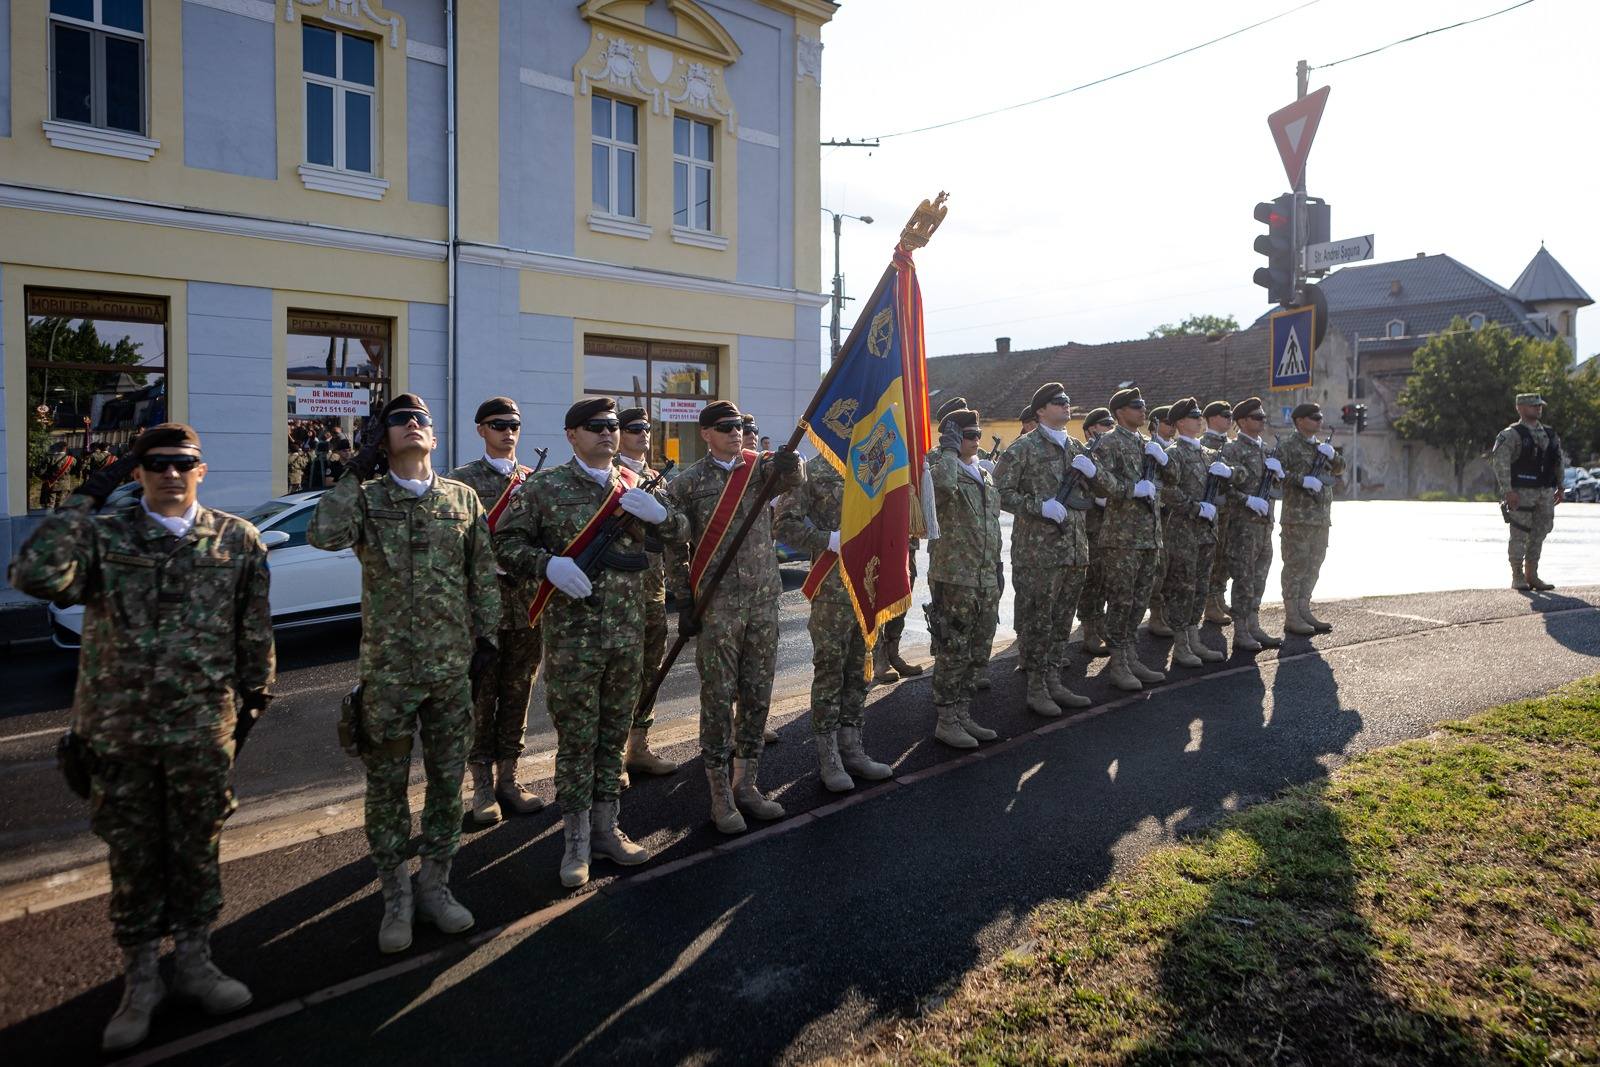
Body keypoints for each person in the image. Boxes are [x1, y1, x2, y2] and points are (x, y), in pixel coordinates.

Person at [10, 423, 274, 1052]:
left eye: (183, 462)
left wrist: (248, 713)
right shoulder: (105, 538)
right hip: (118, 736)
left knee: (196, 847)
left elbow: (254, 636)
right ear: (138, 473)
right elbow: (33, 574)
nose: (170, 473)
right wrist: (81, 500)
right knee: (131, 857)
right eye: (155, 463)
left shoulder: (236, 539)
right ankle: (140, 980)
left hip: (202, 732)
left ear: (200, 471)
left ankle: (195, 961)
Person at [307, 394, 499, 954]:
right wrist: (356, 466)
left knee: (446, 783)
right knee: (387, 787)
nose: (413, 425)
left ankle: (436, 886)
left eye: (421, 420)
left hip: (449, 671)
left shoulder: (461, 498)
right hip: (389, 673)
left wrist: (486, 638)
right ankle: (395, 895)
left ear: (435, 438)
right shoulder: (366, 499)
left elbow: (482, 573)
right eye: (399, 421)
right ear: (383, 437)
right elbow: (323, 533)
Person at [496, 397, 667, 887]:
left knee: (613, 739)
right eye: (595, 426)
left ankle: (606, 829)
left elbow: (679, 532)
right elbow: (505, 543)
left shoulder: (633, 485)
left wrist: (660, 516)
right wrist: (547, 564)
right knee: (577, 741)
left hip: (627, 638)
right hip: (574, 642)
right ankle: (574, 840)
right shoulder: (545, 488)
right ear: (571, 435)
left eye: (613, 426)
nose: (608, 433)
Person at [664, 401, 804, 833]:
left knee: (758, 693)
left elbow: (792, 477)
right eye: (725, 427)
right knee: (718, 699)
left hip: (764, 600)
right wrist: (684, 601)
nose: (735, 432)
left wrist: (792, 461)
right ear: (705, 433)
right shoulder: (687, 483)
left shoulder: (759, 468)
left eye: (740, 426)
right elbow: (676, 548)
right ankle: (720, 793)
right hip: (718, 606)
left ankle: (748, 784)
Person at [449, 397, 546, 824]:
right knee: (480, 699)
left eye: (514, 424)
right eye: (498, 424)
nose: (508, 432)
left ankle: (510, 778)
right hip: (482, 611)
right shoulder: (461, 482)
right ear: (481, 430)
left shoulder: (535, 481)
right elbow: (455, 547)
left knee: (518, 694)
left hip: (527, 608)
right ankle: (482, 786)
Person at [774, 455, 895, 791]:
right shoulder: (814, 469)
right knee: (831, 670)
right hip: (832, 586)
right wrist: (827, 539)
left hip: (870, 583)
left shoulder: (879, 462)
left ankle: (852, 747)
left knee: (860, 671)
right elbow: (784, 523)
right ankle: (829, 757)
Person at [994, 382, 1107, 716]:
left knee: (1061, 621)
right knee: (1039, 622)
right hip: (1039, 553)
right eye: (1059, 402)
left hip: (1074, 549)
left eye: (1068, 401)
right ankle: (1037, 688)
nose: (1066, 405)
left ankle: (1055, 681)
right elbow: (998, 492)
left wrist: (1095, 472)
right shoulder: (1023, 448)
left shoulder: (1077, 448)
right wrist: (1037, 506)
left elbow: (1103, 492)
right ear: (1041, 410)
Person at [926, 408, 1003, 747]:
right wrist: (948, 448)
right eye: (967, 435)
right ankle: (946, 718)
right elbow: (942, 486)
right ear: (953, 438)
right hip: (955, 575)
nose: (976, 441)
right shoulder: (941, 466)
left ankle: (963, 712)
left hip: (984, 574)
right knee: (953, 648)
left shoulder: (981, 472)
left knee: (978, 647)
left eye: (977, 435)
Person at [614, 406, 680, 780]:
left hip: (653, 590)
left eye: (647, 429)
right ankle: (612, 753)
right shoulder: (611, 476)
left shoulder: (658, 478)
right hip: (617, 596)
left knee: (649, 671)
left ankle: (638, 746)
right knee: (618, 674)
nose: (644, 434)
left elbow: (673, 536)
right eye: (634, 429)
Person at [1095, 388, 1176, 691]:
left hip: (1149, 537)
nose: (1143, 411)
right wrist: (1132, 489)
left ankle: (1131, 655)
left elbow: (1173, 478)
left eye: (1143, 405)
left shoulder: (1148, 444)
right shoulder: (1109, 443)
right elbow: (1100, 483)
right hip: (1122, 538)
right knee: (1121, 600)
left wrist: (1165, 460)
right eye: (1135, 406)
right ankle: (1118, 662)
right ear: (1119, 413)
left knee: (1139, 600)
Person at [1156, 399, 1234, 668]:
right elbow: (1166, 490)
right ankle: (1180, 645)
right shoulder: (1174, 454)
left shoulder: (1207, 453)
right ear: (1179, 423)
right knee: (1182, 588)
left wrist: (1227, 475)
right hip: (1183, 531)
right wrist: (1194, 507)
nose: (1199, 418)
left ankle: (1193, 639)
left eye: (1200, 414)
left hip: (1206, 532)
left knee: (1200, 587)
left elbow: (1223, 488)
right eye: (1193, 415)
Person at [1278, 402, 1347, 634]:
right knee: (1295, 566)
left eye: (1320, 417)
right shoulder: (1287, 446)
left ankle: (1304, 609)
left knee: (1314, 565)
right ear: (1299, 421)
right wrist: (1301, 480)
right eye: (1313, 417)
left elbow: (1340, 469)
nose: (1319, 421)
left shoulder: (1321, 447)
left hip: (1320, 518)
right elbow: (1276, 475)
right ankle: (1292, 615)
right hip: (1297, 519)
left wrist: (1334, 456)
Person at [1220, 397, 1282, 654]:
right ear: (1242, 421)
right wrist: (1246, 499)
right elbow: (1223, 488)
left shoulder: (1266, 450)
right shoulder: (1232, 450)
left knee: (1259, 577)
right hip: (1243, 525)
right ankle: (1241, 631)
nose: (1262, 420)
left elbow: (1276, 489)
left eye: (1263, 417)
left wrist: (1279, 475)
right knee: (1243, 579)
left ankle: (1254, 624)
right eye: (1257, 417)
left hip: (1265, 525)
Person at [1492, 392, 1565, 591]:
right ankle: (1517, 575)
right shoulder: (1511, 434)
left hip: (1545, 492)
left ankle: (1532, 575)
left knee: (1540, 532)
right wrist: (1508, 491)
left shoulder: (1549, 434)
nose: (1538, 408)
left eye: (1539, 405)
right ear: (1521, 408)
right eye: (1534, 406)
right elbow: (1501, 463)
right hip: (1521, 492)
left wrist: (1560, 486)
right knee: (1519, 534)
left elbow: (1557, 460)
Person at [1074, 407, 1116, 656]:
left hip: (1112, 527)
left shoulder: (1110, 454)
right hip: (1090, 526)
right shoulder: (1083, 455)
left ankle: (1101, 625)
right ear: (1091, 430)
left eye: (1111, 423)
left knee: (1106, 578)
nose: (1109, 428)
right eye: (1104, 424)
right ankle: (1089, 629)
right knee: (1090, 579)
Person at [1200, 400, 1235, 626]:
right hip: (1211, 512)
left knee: (1225, 556)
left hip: (1230, 510)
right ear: (1212, 418)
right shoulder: (1203, 444)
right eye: (1225, 414)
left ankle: (1219, 595)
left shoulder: (1231, 445)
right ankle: (1209, 603)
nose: (1230, 418)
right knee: (1211, 558)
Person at [1143, 405, 1177, 639]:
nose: (1172, 426)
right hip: (1155, 514)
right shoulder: (1149, 446)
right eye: (1167, 421)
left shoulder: (1172, 451)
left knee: (1171, 568)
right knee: (1158, 568)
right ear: (1155, 425)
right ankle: (1156, 614)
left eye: (1174, 422)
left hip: (1175, 517)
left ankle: (1166, 611)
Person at [37, 440, 77, 509]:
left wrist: (45, 479)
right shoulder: (72, 459)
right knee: (61, 506)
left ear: (57, 448)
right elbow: (74, 472)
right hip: (65, 486)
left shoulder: (49, 458)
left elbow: (39, 472)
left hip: (51, 485)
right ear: (65, 448)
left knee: (50, 507)